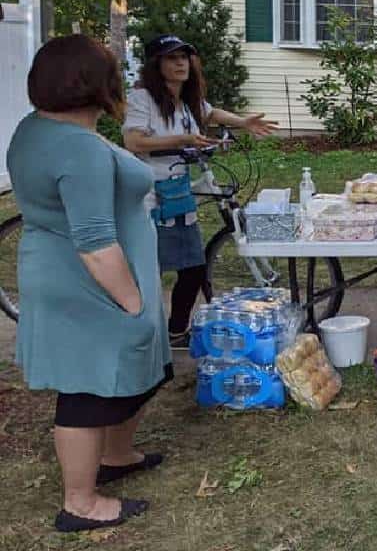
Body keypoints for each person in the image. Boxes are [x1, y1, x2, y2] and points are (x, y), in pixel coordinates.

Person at [6, 36, 173, 532]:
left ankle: (117, 455)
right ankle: (80, 501)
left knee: (138, 372)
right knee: (88, 388)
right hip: (88, 278)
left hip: (58, 267)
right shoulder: (78, 151)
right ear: (99, 85)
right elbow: (96, 243)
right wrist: (134, 304)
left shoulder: (35, 129)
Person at [123, 35, 277, 348]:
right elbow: (134, 142)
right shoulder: (142, 99)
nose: (181, 64)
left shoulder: (187, 99)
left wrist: (243, 122)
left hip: (177, 192)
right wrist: (181, 140)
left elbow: (211, 113)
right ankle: (139, 336)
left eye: (184, 57)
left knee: (192, 266)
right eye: (171, 58)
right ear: (156, 65)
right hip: (149, 194)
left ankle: (176, 331)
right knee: (147, 269)